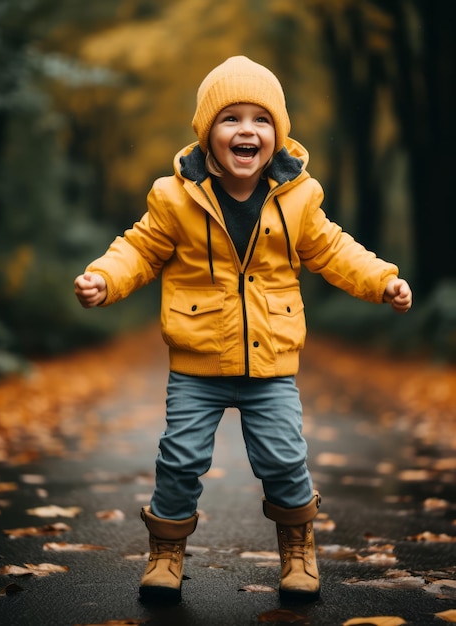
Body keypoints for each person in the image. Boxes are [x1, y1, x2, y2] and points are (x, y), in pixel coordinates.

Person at [74, 56, 412, 604]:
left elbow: (334, 250)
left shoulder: (299, 197)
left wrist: (383, 281)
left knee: (284, 459)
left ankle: (298, 550)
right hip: (197, 359)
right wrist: (103, 279)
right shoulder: (175, 197)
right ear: (208, 132)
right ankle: (166, 553)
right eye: (231, 118)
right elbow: (138, 247)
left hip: (271, 362)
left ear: (278, 134)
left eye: (260, 118)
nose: (246, 129)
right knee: (179, 459)